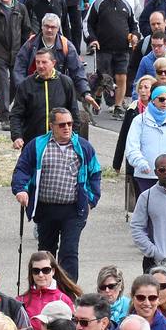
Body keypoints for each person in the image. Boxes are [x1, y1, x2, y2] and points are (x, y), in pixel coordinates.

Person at [12, 107, 101, 281]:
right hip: (46, 209)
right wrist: (21, 190)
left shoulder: (83, 147)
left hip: (73, 210)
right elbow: (22, 169)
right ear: (51, 126)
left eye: (69, 124)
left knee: (69, 252)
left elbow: (95, 174)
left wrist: (90, 201)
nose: (67, 128)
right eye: (61, 125)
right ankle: (44, 289)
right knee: (46, 253)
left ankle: (68, 294)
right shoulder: (37, 145)